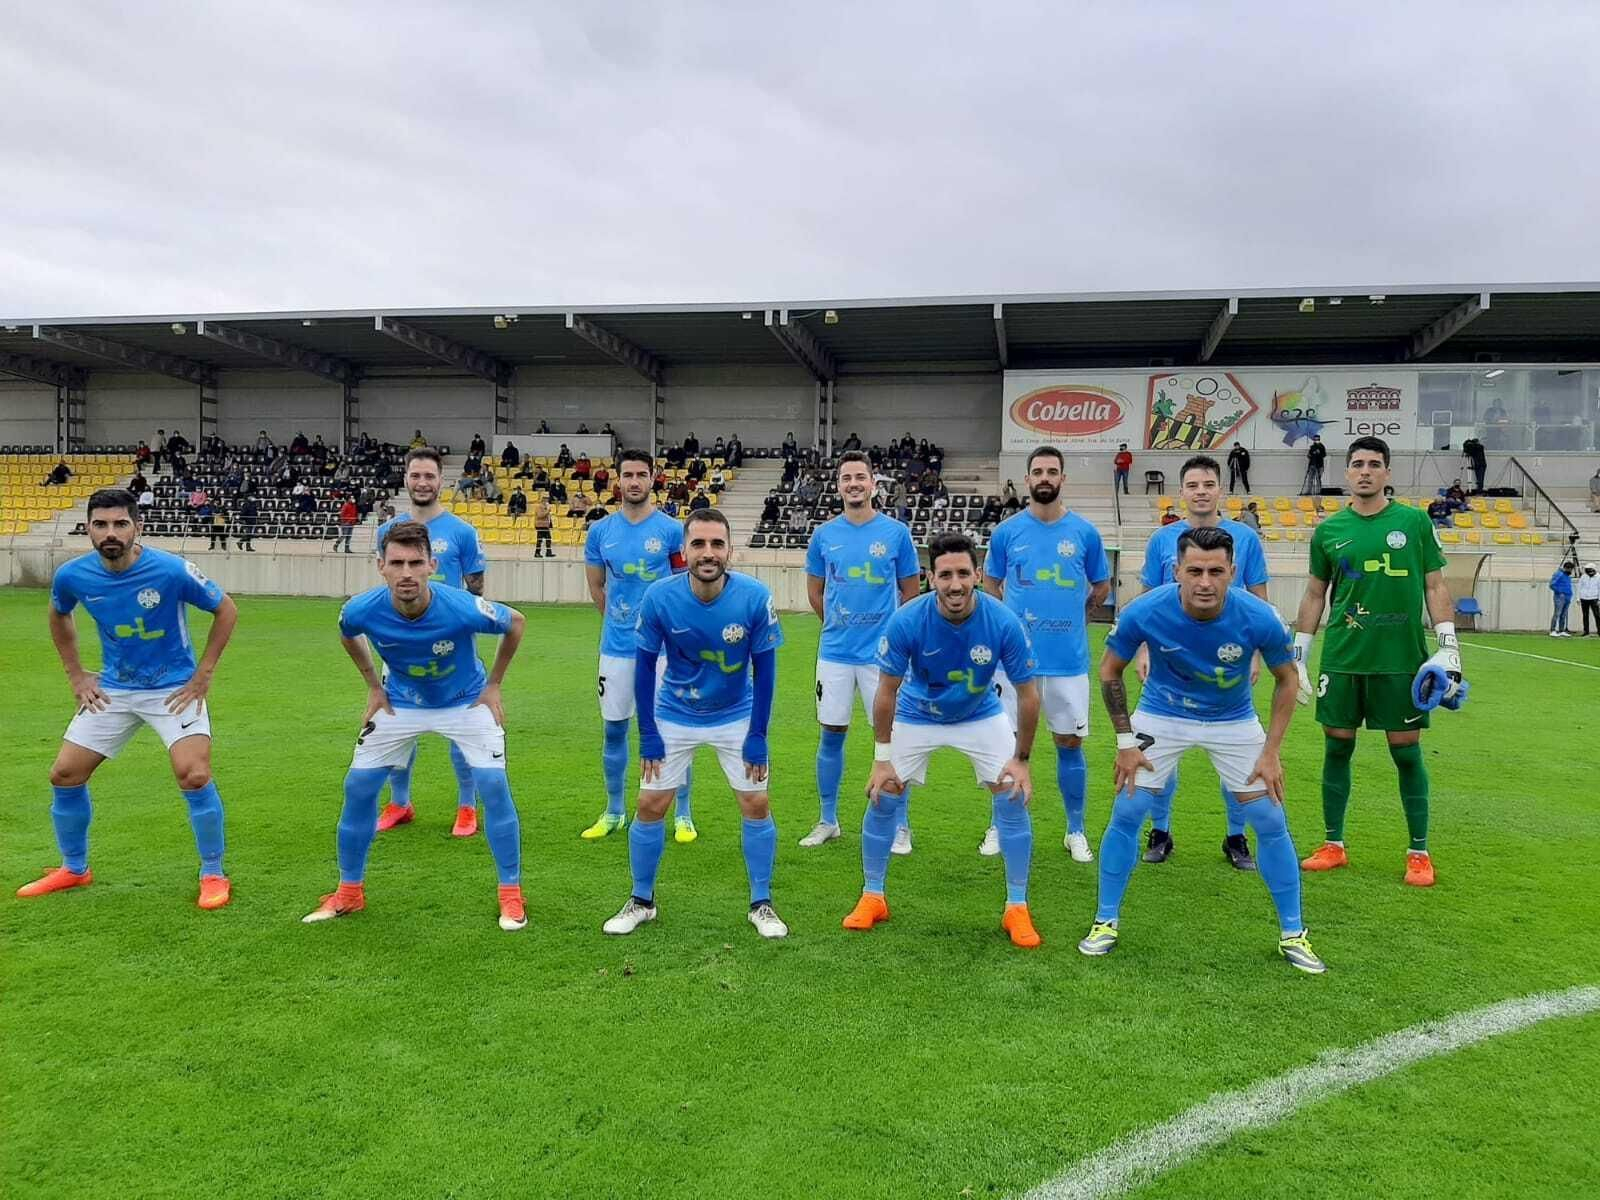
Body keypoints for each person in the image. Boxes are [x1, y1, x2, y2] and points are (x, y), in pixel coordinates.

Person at [1079, 526, 1323, 973]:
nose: (1205, 581)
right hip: (1161, 715)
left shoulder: (1259, 616)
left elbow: (1288, 679)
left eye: (1215, 571)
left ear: (1232, 572)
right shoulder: (1145, 611)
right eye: (1194, 570)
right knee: (1128, 812)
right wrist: (1125, 741)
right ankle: (1104, 921)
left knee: (1270, 818)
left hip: (1232, 721)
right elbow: (1110, 670)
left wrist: (1271, 752)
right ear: (1177, 572)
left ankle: (1293, 932)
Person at [18, 489, 238, 909]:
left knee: (193, 774)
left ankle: (213, 872)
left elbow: (226, 609)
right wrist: (77, 675)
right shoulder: (73, 575)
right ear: (88, 528)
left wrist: (203, 674)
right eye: (100, 524)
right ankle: (74, 869)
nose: (110, 532)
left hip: (173, 689)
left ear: (138, 527)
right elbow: (59, 613)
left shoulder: (172, 570)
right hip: (115, 690)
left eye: (120, 523)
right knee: (64, 774)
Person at [302, 520, 527, 932]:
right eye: (397, 562)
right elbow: (347, 632)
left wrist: (494, 684)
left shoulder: (460, 605)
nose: (406, 572)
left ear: (432, 565)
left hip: (466, 701)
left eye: (416, 562)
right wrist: (373, 685)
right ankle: (349, 892)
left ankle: (511, 896)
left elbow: (515, 622)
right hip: (400, 703)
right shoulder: (361, 608)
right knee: (358, 787)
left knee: (494, 787)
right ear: (380, 566)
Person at [842, 531, 1043, 948]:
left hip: (979, 713)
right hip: (918, 714)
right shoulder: (907, 620)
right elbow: (886, 691)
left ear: (978, 574)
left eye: (964, 573)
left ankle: (1017, 907)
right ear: (931, 577)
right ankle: (873, 895)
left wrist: (1021, 759)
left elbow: (1028, 693)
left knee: (1011, 794)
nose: (955, 584)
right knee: (884, 794)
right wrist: (882, 758)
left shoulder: (1003, 620)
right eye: (946, 574)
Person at [601, 509, 786, 939]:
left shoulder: (755, 597)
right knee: (650, 806)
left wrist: (758, 735)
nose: (708, 553)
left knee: (755, 804)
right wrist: (647, 732)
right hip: (674, 716)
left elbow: (767, 671)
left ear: (730, 551)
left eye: (716, 544)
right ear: (684, 551)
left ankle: (762, 903)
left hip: (736, 716)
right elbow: (644, 668)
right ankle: (642, 901)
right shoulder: (660, 597)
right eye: (699, 544)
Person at [1294, 436, 1464, 889]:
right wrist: (1299, 654)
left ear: (1387, 473)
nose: (1365, 471)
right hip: (1344, 657)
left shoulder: (1413, 522)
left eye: (1374, 464)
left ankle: (1419, 852)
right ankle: (1333, 845)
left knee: (1405, 750)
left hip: (1399, 658)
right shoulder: (1329, 531)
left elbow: (1434, 586)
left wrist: (1448, 647)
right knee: (1336, 745)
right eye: (1357, 464)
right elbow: (1315, 594)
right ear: (1346, 474)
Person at [1134, 455, 1273, 869]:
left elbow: (1259, 600)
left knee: (1236, 752)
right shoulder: (1163, 539)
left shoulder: (1245, 539)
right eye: (1192, 485)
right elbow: (1145, 602)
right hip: (1168, 662)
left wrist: (1258, 653)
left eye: (1208, 484)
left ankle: (1236, 837)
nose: (1200, 491)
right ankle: (1160, 831)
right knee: (1161, 751)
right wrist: (1143, 649)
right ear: (1182, 493)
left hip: (1228, 662)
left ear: (1220, 490)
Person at [981, 445, 1112, 862]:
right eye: (1037, 471)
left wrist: (1073, 615)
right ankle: (999, 825)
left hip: (1067, 661)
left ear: (1062, 479)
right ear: (1027, 479)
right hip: (1014, 663)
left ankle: (1075, 831)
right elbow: (991, 587)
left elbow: (1101, 588)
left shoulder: (1086, 534)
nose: (1044, 478)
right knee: (1005, 744)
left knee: (1069, 742)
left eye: (1052, 471)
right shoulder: (1006, 533)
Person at [799, 452, 922, 850]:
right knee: (831, 735)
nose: (853, 484)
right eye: (846, 478)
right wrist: (838, 623)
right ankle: (828, 819)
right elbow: (816, 592)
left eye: (860, 477)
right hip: (834, 654)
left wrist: (894, 639)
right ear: (838, 485)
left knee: (890, 738)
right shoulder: (823, 536)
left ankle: (900, 825)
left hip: (882, 659)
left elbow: (910, 592)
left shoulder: (896, 534)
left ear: (873, 484)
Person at [371, 448, 488, 838]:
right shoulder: (386, 532)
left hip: (450, 648)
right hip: (402, 646)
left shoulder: (462, 532)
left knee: (462, 730)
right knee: (397, 727)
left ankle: (467, 806)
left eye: (429, 476)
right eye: (416, 475)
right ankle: (400, 802)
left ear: (442, 481)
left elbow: (475, 591)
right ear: (406, 479)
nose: (422, 482)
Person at [581, 450, 695, 841]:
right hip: (616, 649)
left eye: (641, 475)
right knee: (614, 730)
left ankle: (683, 814)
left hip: (665, 652)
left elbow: (685, 586)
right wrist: (619, 622)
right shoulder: (600, 532)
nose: (634, 481)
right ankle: (614, 811)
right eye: (627, 474)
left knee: (673, 731)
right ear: (618, 480)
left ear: (653, 479)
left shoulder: (671, 531)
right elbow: (598, 587)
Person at [1549, 562, 1574, 637]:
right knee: (1557, 613)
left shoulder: (1567, 576)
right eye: (1570, 569)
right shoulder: (1558, 574)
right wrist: (1560, 592)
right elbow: (1551, 584)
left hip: (1567, 597)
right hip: (1560, 597)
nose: (1571, 571)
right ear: (1566, 568)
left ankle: (1561, 630)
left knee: (1564, 614)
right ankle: (1552, 630)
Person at [1577, 563, 1600, 636]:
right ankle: (1586, 631)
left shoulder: (1598, 577)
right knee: (1585, 615)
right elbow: (1579, 587)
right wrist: (1578, 598)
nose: (1587, 571)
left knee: (1597, 615)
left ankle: (1599, 631)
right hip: (1584, 598)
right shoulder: (1583, 577)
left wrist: (1599, 599)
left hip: (1594, 598)